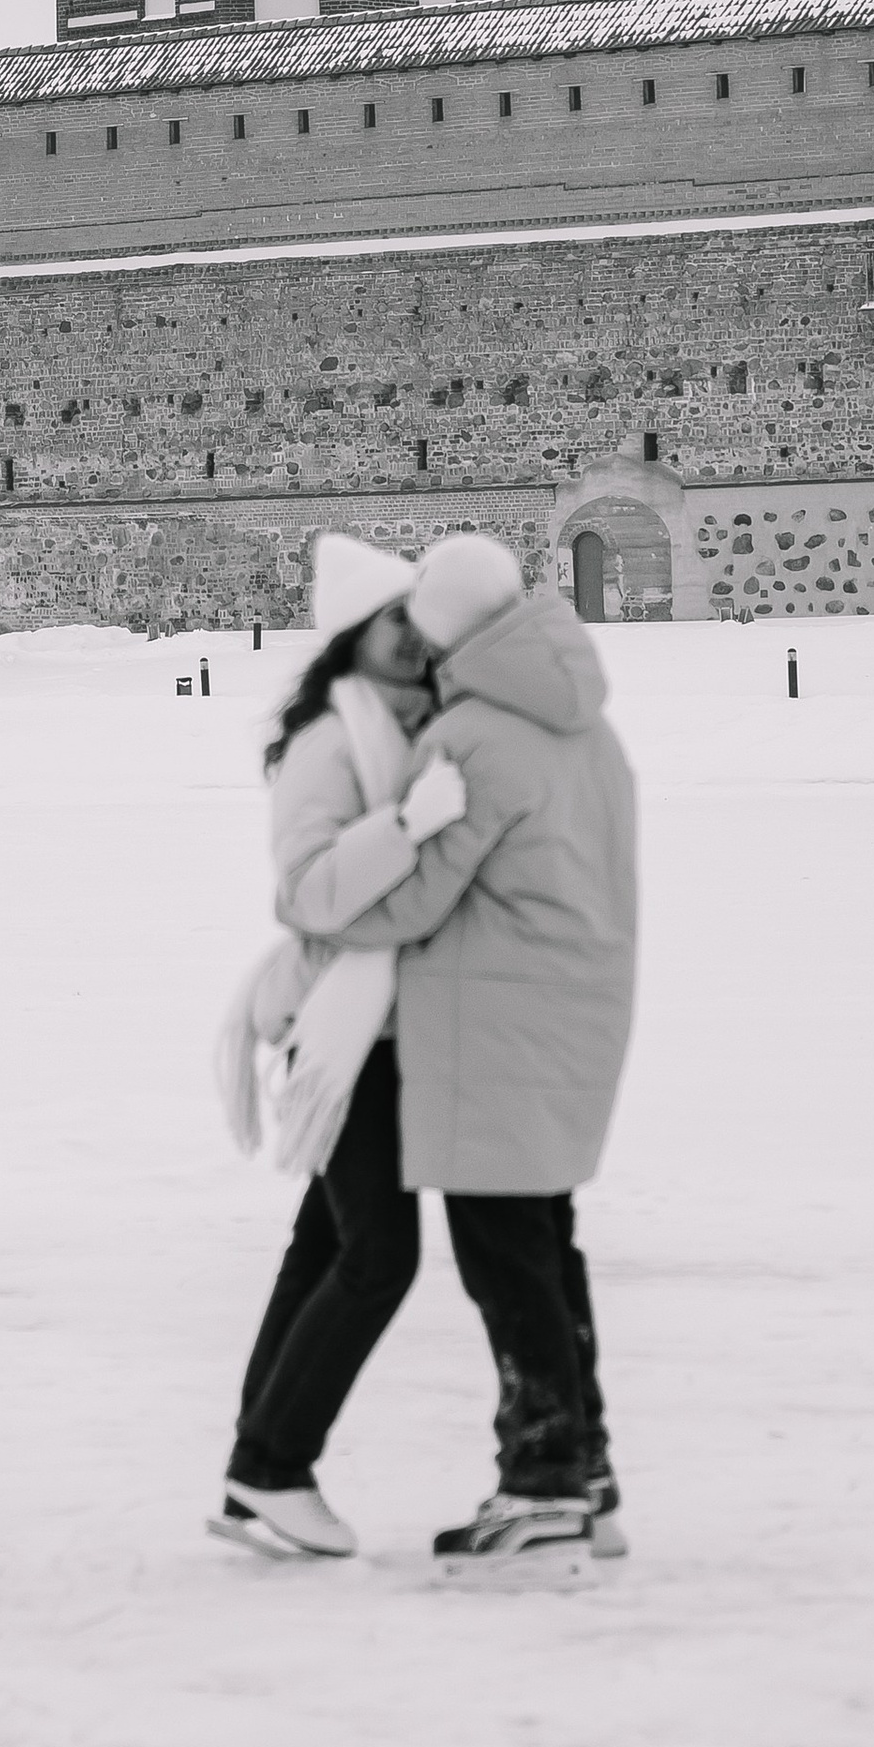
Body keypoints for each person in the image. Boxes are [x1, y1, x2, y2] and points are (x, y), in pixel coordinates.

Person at [293, 530, 639, 1568]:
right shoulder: (588, 725)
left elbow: (414, 897)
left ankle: (541, 1485)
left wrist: (321, 923)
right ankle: (587, 1474)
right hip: (576, 1008)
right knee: (546, 1248)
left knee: (507, 1263)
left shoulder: (474, 739)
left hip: (489, 1024)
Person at [212, 534, 469, 1560]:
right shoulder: (331, 742)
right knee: (378, 1254)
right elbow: (308, 895)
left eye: (419, 620)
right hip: (345, 1026)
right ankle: (272, 1466)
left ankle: (252, 1471)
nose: (413, 639)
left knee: (320, 1248)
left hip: (392, 1020)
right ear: (353, 640)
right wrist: (406, 822)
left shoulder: (416, 726)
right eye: (392, 623)